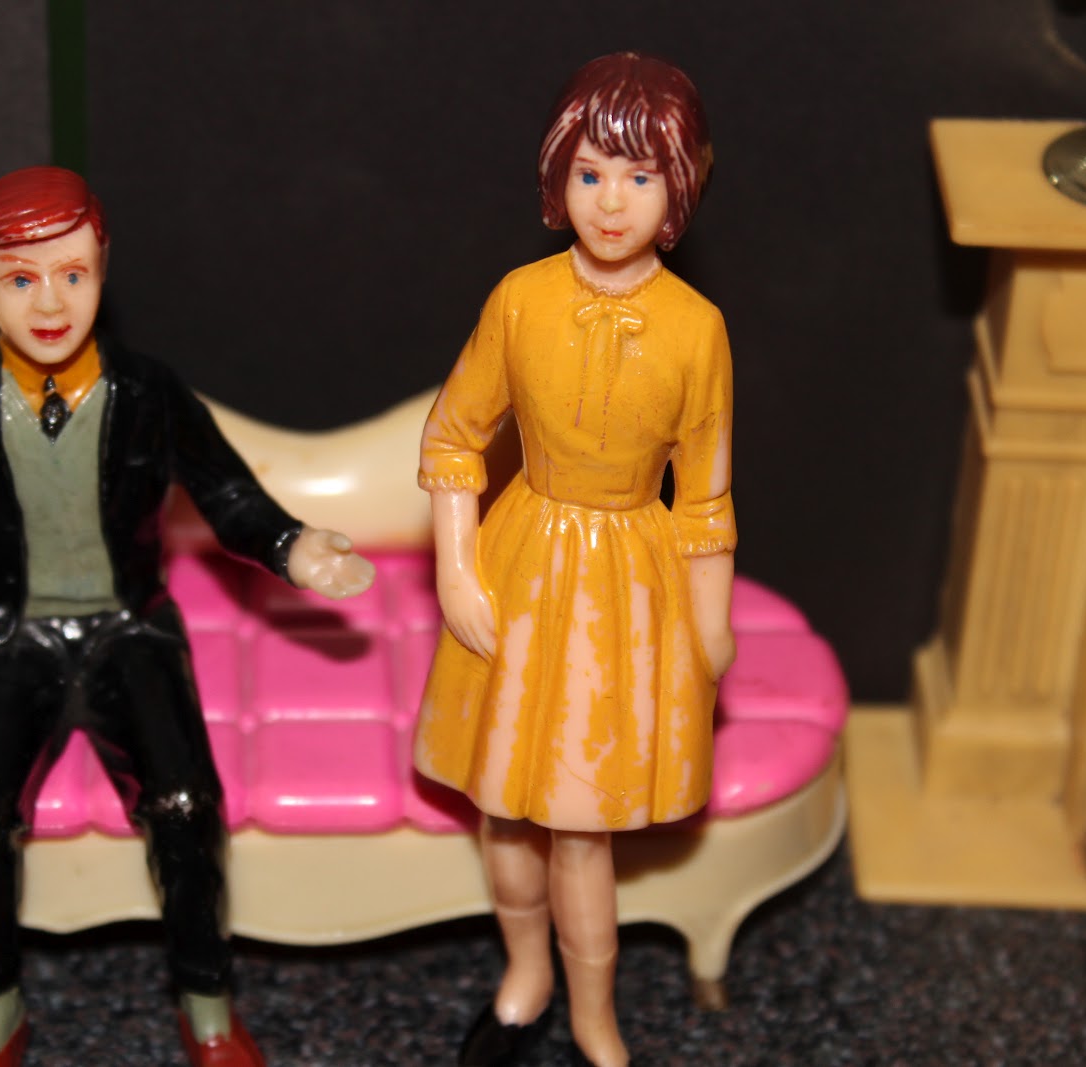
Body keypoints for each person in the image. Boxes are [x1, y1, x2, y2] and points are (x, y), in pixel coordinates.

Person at [0, 165, 375, 1067]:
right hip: (6, 631)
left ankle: (207, 1005)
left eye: (72, 274)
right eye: (20, 279)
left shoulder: (148, 394)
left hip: (128, 624)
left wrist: (292, 547)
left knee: (185, 802)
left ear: (103, 268)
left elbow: (226, 492)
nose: (49, 303)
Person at [412, 53, 735, 1067]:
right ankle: (525, 977)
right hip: (521, 559)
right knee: (504, 803)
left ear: (679, 189)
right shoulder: (519, 299)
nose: (612, 201)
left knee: (582, 823)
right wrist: (455, 569)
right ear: (559, 176)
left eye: (640, 176)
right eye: (592, 172)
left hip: (628, 580)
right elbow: (453, 439)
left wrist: (710, 623)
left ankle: (596, 1013)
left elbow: (706, 496)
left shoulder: (698, 329)